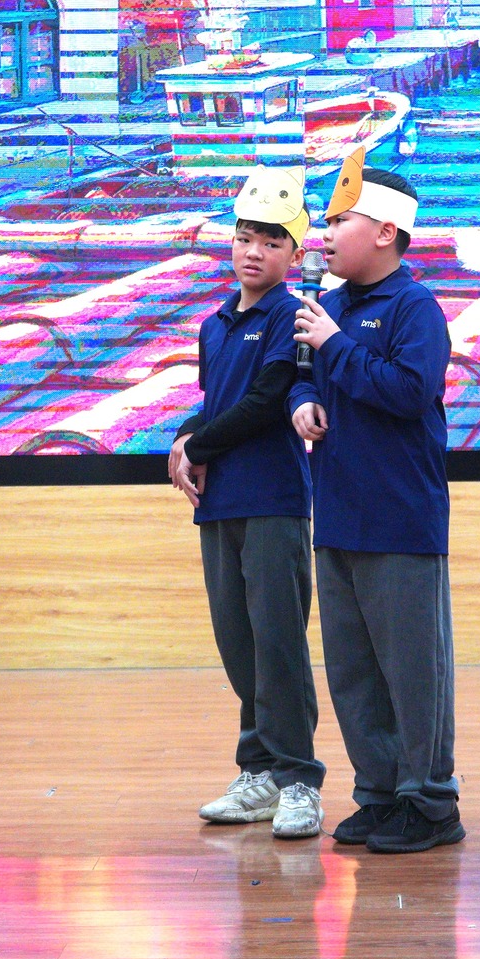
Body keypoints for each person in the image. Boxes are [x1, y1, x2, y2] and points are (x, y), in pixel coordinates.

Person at [289, 150, 461, 854]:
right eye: (327, 221)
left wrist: (335, 347)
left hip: (400, 517)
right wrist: (302, 401)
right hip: (337, 515)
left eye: (341, 220)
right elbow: (302, 374)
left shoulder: (415, 308)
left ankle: (431, 799)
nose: (325, 233)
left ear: (387, 232)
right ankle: (380, 792)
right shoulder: (327, 307)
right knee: (353, 670)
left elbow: (408, 391)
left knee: (413, 669)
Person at [172, 168, 326, 840]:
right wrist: (184, 438)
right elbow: (216, 403)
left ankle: (299, 781)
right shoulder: (215, 325)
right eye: (244, 237)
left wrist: (196, 443)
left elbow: (266, 403)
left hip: (273, 502)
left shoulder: (294, 318)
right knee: (240, 645)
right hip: (219, 505)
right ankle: (259, 771)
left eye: (271, 240)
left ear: (295, 254)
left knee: (278, 646)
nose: (253, 251)